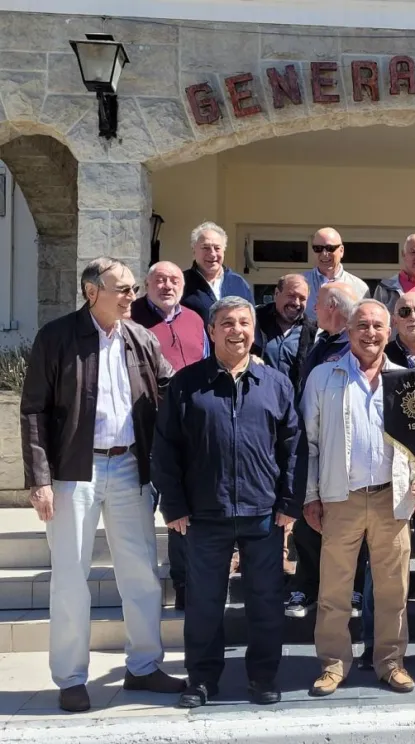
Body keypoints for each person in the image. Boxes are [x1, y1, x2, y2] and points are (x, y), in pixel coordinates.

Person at [20, 257, 184, 713]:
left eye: (134, 288)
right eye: (123, 289)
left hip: (131, 466)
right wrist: (40, 479)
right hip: (74, 472)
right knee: (71, 576)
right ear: (92, 292)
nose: (132, 296)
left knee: (142, 574)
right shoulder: (56, 337)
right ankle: (71, 678)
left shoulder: (140, 338)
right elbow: (33, 409)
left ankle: (144, 666)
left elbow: (172, 391)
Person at [153, 296, 300, 708]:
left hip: (263, 513)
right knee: (203, 603)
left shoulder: (276, 383)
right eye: (228, 324)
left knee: (266, 601)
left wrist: (289, 501)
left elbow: (294, 448)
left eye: (244, 323)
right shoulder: (187, 383)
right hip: (204, 513)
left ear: (254, 331)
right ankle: (201, 679)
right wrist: (174, 505)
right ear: (212, 331)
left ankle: (264, 677)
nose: (237, 331)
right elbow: (165, 449)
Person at [302, 300, 415, 696]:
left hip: (391, 499)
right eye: (362, 325)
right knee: (334, 589)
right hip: (340, 498)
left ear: (389, 332)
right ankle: (332, 663)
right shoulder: (323, 378)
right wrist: (311, 495)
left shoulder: (409, 380)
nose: (371, 333)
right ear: (348, 330)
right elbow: (307, 444)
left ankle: (391, 662)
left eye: (378, 326)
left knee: (393, 589)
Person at [130, 261, 210, 613]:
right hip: (142, 428)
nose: (167, 285)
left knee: (182, 510)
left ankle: (182, 583)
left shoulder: (195, 318)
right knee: (137, 511)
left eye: (174, 280)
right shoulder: (129, 318)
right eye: (159, 280)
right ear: (146, 284)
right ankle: (138, 587)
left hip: (189, 428)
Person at [285, 282, 359, 621]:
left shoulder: (351, 347)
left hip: (341, 453)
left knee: (346, 529)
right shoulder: (320, 341)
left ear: (333, 307)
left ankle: (352, 589)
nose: (313, 309)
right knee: (307, 523)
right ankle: (307, 586)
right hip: (310, 446)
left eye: (318, 303)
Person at [253, 274, 316, 394]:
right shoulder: (254, 320)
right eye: (291, 296)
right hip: (257, 401)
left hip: (292, 406)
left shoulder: (313, 332)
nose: (296, 303)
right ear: (276, 294)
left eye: (302, 298)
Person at [180, 221, 254, 323]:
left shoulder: (239, 283)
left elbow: (252, 324)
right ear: (194, 251)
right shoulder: (181, 283)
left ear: (224, 250)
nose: (212, 254)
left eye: (217, 248)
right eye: (205, 248)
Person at [304, 227, 370, 320]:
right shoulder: (301, 284)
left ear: (341, 250)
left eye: (330, 248)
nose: (324, 254)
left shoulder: (359, 287)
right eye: (318, 248)